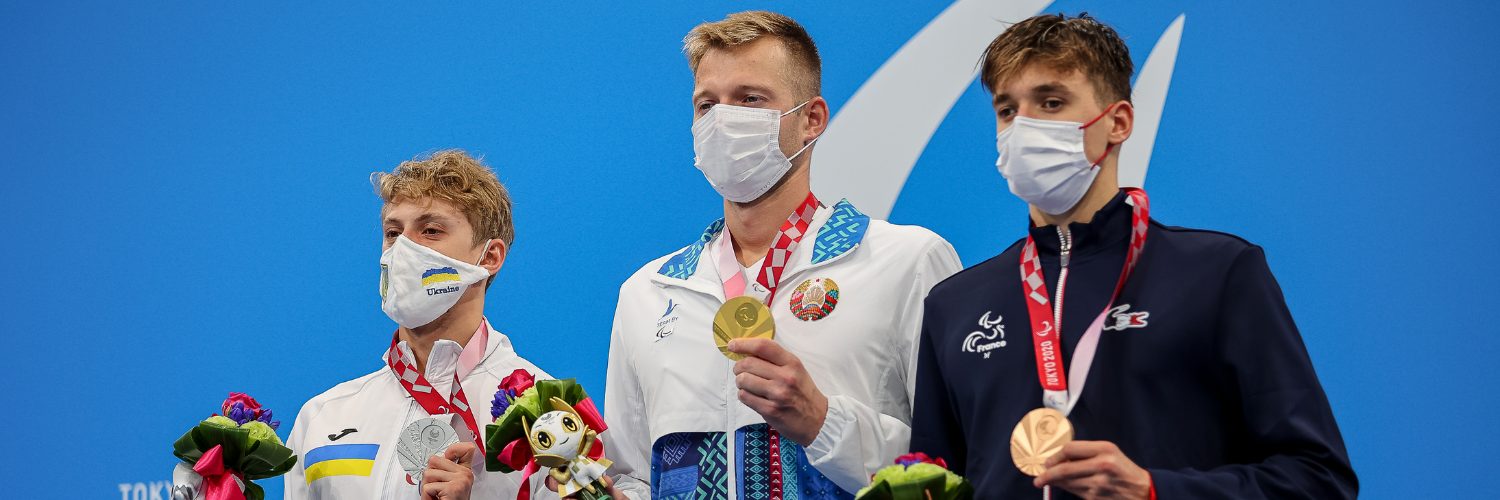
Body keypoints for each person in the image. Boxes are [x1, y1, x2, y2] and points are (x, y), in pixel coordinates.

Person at [908, 13, 1357, 499]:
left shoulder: (1217, 273)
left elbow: (1318, 479)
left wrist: (1152, 490)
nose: (1023, 127)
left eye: (1051, 102)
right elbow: (934, 483)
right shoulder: (955, 305)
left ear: (1117, 122)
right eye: (1007, 110)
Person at [596, 10, 962, 499]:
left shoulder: (906, 262)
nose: (722, 120)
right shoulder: (647, 293)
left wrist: (822, 421)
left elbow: (956, 462)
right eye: (707, 104)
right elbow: (635, 474)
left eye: (750, 99)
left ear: (812, 120)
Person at [283, 150, 552, 500]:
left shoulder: (550, 413)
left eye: (430, 230)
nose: (403, 249)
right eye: (393, 233)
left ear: (489, 256)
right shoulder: (323, 417)